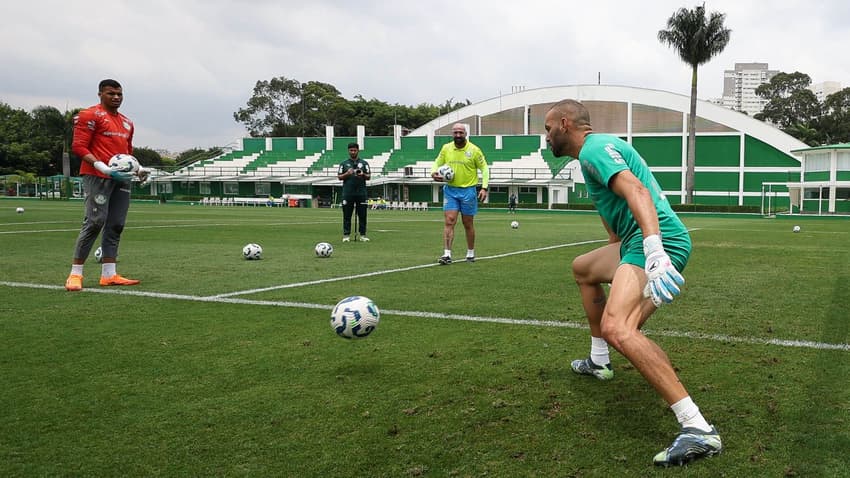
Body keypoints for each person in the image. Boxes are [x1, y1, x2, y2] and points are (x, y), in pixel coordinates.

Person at [544, 99, 721, 466]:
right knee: (583, 268)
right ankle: (599, 361)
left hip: (655, 240)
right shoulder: (591, 155)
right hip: (633, 242)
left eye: (547, 129)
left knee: (618, 327)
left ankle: (698, 429)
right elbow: (615, 221)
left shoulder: (593, 149)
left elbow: (637, 193)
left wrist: (654, 252)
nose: (546, 137)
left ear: (564, 124)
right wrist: (623, 259)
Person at [65, 79, 148, 291]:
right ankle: (75, 274)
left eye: (120, 94)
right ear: (100, 94)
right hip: (97, 175)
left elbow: (126, 153)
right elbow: (79, 146)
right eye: (111, 93)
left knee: (116, 224)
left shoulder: (127, 122)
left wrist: (138, 169)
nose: (116, 97)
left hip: (121, 179)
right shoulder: (89, 115)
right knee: (94, 221)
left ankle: (109, 274)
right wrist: (102, 167)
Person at [431, 123, 489, 264]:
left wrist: (484, 187)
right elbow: (437, 162)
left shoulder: (474, 150)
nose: (458, 135)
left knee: (467, 223)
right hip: (450, 190)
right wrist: (433, 172)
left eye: (460, 133)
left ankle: (470, 253)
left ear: (465, 134)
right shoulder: (446, 148)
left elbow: (484, 168)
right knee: (449, 221)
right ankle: (447, 254)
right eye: (455, 132)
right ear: (452, 134)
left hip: (468, 191)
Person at [337, 142, 370, 242]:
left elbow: (369, 176)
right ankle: (346, 235)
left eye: (355, 150)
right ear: (348, 151)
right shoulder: (344, 164)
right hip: (348, 193)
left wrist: (362, 174)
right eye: (351, 150)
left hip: (361, 192)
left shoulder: (364, 163)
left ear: (358, 151)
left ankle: (362, 235)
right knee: (347, 214)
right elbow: (339, 177)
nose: (353, 152)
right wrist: (347, 173)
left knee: (362, 215)